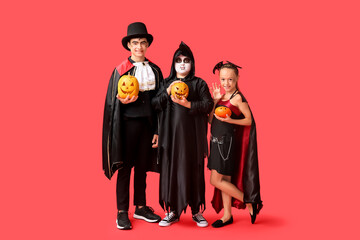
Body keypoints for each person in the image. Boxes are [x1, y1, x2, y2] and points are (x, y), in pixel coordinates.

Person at [102, 22, 164, 230]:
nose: (139, 47)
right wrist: (120, 101)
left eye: (143, 43)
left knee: (142, 168)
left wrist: (158, 130)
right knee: (125, 168)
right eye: (135, 43)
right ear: (129, 45)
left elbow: (160, 104)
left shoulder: (155, 70)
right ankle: (122, 211)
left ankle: (140, 206)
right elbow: (112, 103)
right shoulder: (120, 70)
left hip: (148, 126)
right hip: (127, 127)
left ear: (148, 45)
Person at [152, 42, 213, 227]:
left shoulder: (199, 83)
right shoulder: (166, 83)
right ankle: (172, 211)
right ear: (173, 63)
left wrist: (189, 105)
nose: (183, 64)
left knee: (193, 171)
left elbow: (208, 104)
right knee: (171, 171)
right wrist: (167, 92)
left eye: (186, 61)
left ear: (192, 63)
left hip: (192, 138)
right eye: (179, 60)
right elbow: (155, 104)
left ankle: (196, 211)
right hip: (170, 138)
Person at [208, 61, 263, 227]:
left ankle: (250, 202)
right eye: (223, 79)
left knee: (215, 180)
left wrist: (231, 119)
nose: (226, 83)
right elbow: (211, 121)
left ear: (237, 78)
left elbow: (249, 120)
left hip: (226, 145)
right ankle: (227, 215)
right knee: (225, 181)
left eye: (230, 79)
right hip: (216, 142)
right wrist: (214, 102)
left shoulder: (237, 98)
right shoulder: (221, 97)